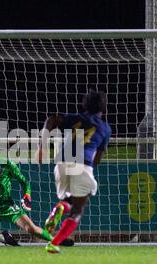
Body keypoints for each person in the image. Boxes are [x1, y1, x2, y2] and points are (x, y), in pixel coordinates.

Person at [37, 89, 111, 254]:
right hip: (82, 165)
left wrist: (41, 147)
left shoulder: (76, 118)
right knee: (78, 209)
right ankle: (54, 242)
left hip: (61, 163)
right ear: (103, 107)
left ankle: (62, 206)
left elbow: (51, 119)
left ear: (85, 104)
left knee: (69, 200)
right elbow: (97, 158)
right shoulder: (105, 128)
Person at [0, 140, 59, 245]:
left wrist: (27, 195)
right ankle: (2, 238)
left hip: (7, 207)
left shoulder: (6, 163)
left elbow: (24, 182)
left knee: (31, 229)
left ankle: (58, 240)